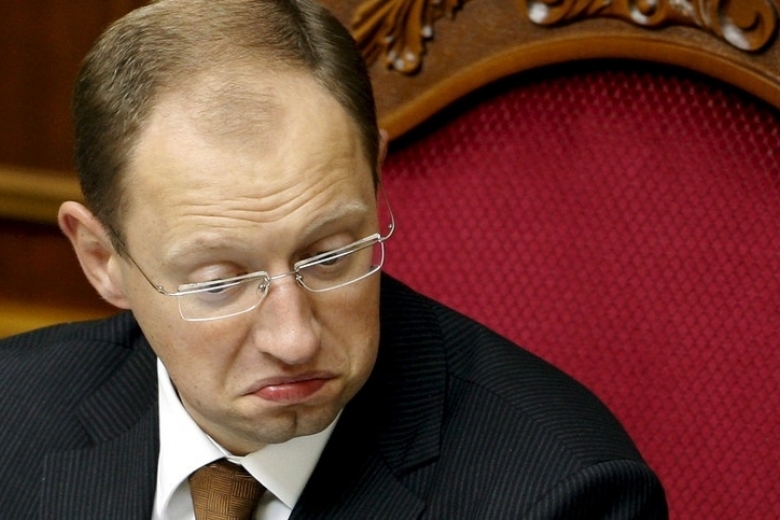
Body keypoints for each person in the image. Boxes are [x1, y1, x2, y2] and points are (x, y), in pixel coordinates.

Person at [0, 0, 667, 518]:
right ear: (101, 259)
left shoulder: (561, 493)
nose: (294, 339)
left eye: (331, 254)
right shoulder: (12, 415)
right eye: (221, 281)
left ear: (373, 180)